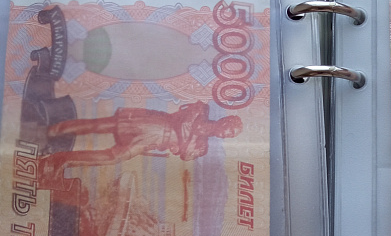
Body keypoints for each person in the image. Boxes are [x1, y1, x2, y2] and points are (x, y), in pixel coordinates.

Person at [41, 101, 242, 176]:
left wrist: (186, 135)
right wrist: (185, 138)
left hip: (152, 142)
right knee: (99, 125)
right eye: (229, 129)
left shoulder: (202, 148)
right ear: (225, 121)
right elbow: (182, 125)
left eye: (230, 135)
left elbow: (186, 153)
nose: (226, 134)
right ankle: (52, 130)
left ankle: (63, 159)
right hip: (152, 123)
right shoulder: (202, 109)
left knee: (114, 157)